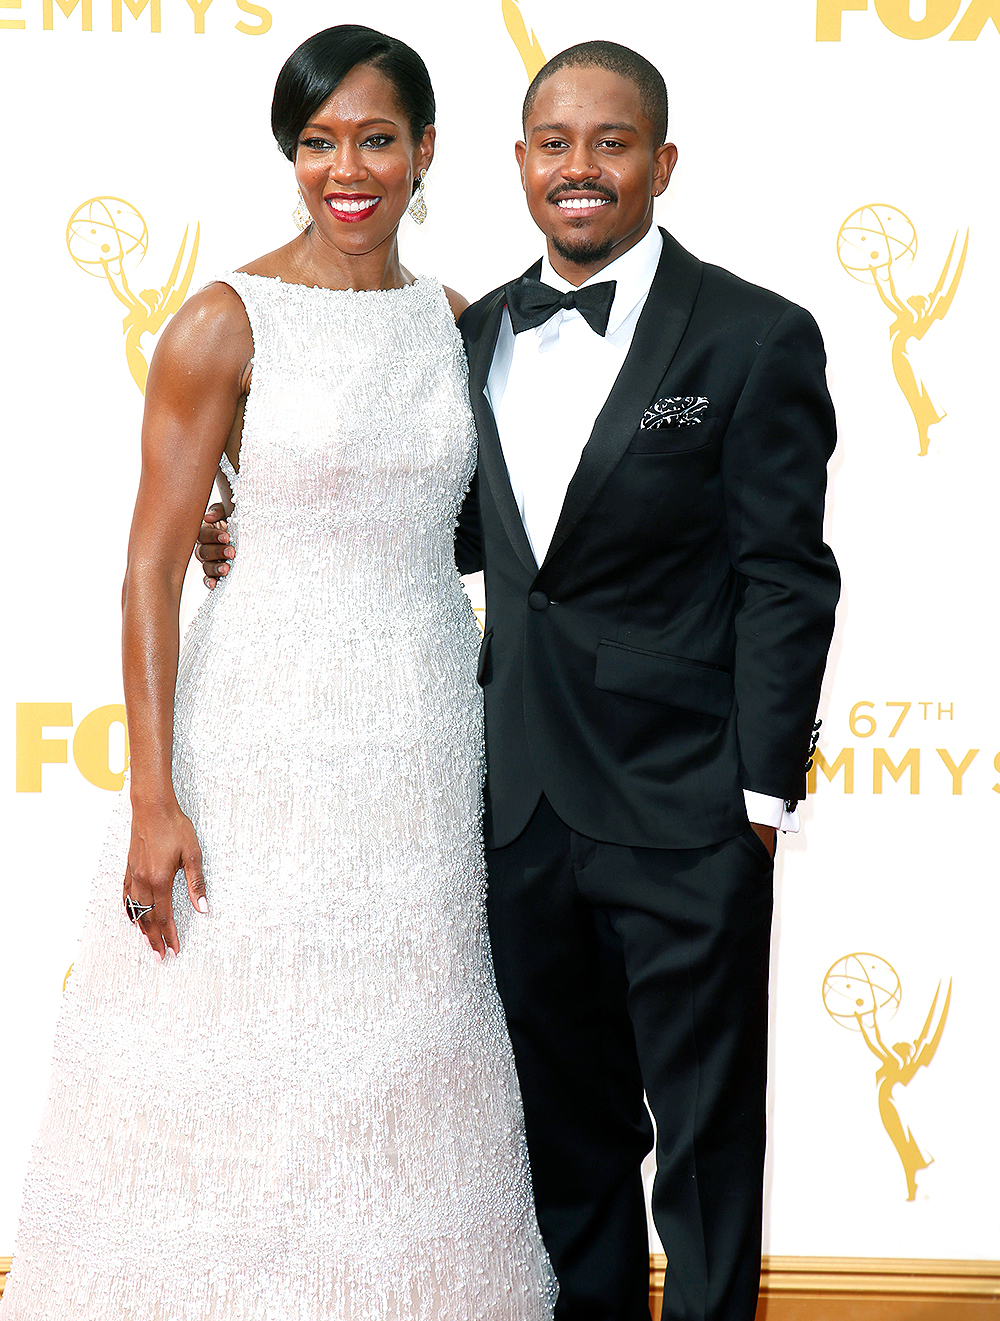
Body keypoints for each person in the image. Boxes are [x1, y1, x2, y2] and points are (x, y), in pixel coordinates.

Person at [205, 39, 840, 1321]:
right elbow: (448, 525)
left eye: (612, 144)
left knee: (708, 1151)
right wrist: (261, 527)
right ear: (514, 164)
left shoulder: (754, 335)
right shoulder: (472, 326)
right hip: (516, 805)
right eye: (555, 144)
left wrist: (761, 794)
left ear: (662, 163)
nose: (581, 169)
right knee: (568, 1146)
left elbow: (786, 572)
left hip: (687, 805)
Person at [1, 25, 557, 1321]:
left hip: (421, 728)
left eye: (375, 138)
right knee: (238, 1030)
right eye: (317, 141)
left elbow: (495, 534)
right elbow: (147, 569)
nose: (345, 169)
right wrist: (152, 796)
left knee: (407, 1031)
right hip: (256, 732)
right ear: (289, 153)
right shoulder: (221, 320)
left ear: (426, 152)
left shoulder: (456, 322)